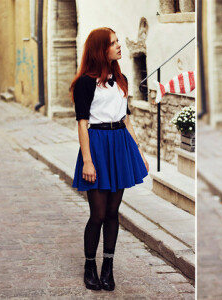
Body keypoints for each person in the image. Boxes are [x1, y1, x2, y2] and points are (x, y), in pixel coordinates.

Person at [70, 27, 149, 291]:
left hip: (120, 145)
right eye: (114, 43)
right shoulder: (85, 82)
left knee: (114, 212)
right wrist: (88, 160)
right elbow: (82, 124)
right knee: (98, 213)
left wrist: (138, 151)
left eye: (117, 42)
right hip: (98, 145)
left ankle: (108, 267)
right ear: (100, 49)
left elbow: (126, 118)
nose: (119, 46)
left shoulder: (122, 78)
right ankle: (90, 265)